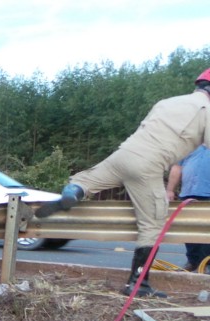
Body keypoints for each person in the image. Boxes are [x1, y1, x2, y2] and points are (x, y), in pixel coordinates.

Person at [37, 67, 210, 297]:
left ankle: (74, 189)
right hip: (148, 166)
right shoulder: (207, 110)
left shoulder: (167, 102)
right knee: (152, 226)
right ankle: (138, 285)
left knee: (88, 178)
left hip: (123, 154)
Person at [166, 145, 210, 272]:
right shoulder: (189, 145)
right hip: (188, 193)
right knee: (189, 229)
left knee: (207, 231)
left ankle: (205, 264)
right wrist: (169, 190)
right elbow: (177, 167)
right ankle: (193, 262)